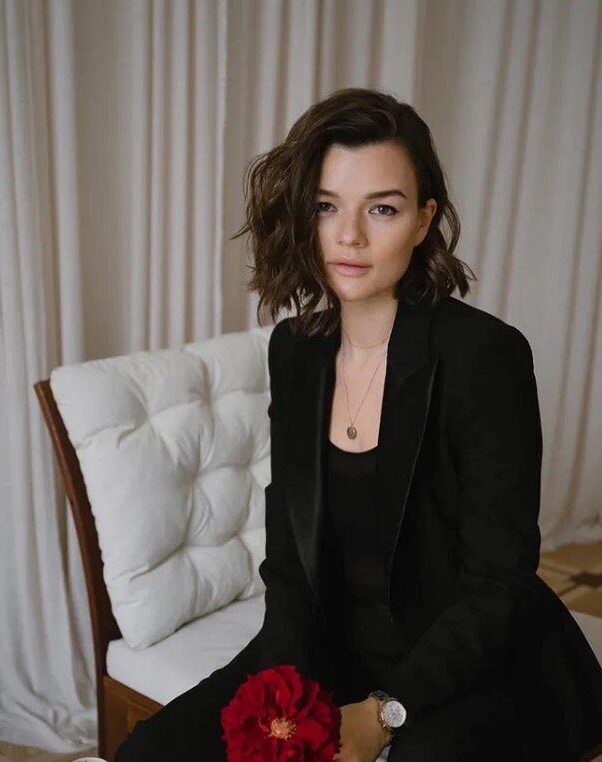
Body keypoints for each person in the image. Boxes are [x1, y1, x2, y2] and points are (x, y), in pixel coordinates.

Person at [115, 88, 602, 762]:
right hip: (335, 645)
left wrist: (384, 712)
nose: (348, 236)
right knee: (156, 751)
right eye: (326, 206)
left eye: (382, 208)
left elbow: (498, 584)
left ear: (423, 220)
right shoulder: (295, 349)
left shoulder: (483, 355)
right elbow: (290, 559)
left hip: (476, 661)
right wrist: (283, 695)